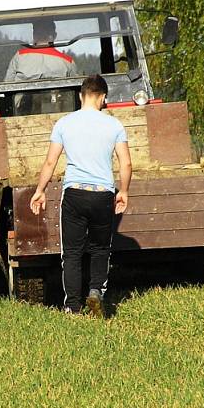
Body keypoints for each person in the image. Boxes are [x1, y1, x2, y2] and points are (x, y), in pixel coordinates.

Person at [29, 74, 132, 316]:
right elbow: (126, 164)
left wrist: (40, 190)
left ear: (80, 96)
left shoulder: (64, 123)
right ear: (103, 98)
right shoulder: (114, 125)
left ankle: (72, 307)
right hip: (102, 194)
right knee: (100, 249)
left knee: (72, 253)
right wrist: (124, 192)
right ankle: (96, 291)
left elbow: (50, 161)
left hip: (74, 194)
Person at [4, 19, 78, 82]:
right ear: (55, 35)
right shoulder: (67, 62)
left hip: (25, 99)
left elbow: (7, 84)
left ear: (34, 35)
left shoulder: (19, 56)